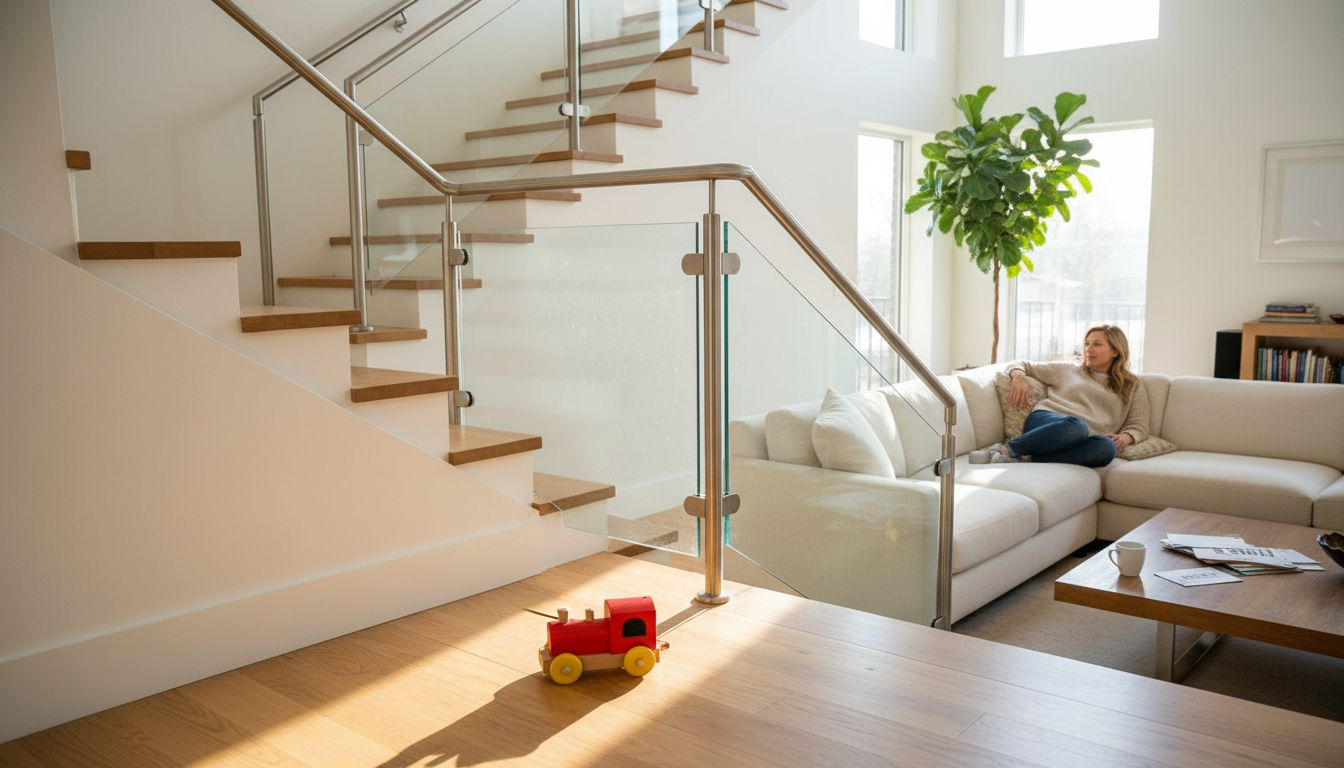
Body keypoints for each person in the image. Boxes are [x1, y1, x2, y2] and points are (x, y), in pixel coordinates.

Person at [970, 324, 1149, 467]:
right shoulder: (1068, 369)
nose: (1089, 349)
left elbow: (1138, 424)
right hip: (1048, 422)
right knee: (1077, 426)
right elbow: (1021, 364)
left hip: (1084, 438)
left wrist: (1126, 437)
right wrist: (1018, 376)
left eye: (1097, 344)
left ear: (1115, 351)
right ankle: (1005, 450)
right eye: (1087, 344)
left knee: (1106, 448)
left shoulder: (1131, 384)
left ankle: (1027, 458)